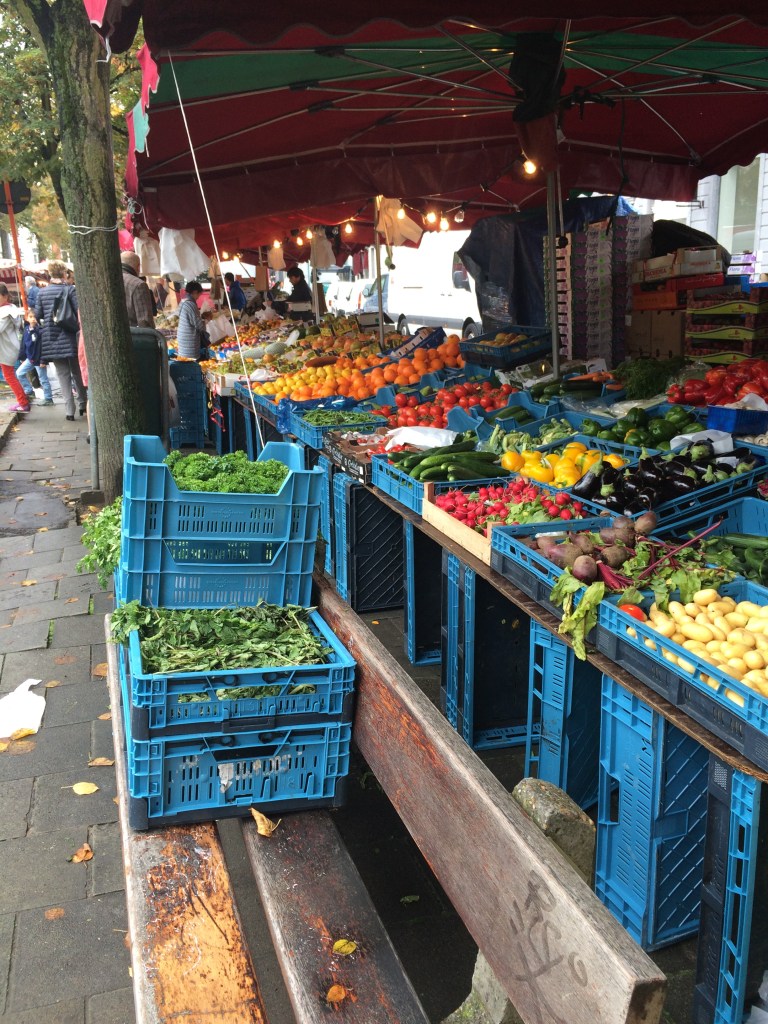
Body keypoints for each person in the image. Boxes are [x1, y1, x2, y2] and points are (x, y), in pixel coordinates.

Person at [35, 259, 87, 421]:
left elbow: (38, 315)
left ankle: (69, 411)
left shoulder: (42, 292)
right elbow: (79, 311)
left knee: (62, 374)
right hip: (71, 336)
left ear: (50, 274)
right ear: (64, 273)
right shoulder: (70, 290)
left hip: (52, 338)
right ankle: (82, 403)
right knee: (77, 372)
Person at [0, 284, 29, 412]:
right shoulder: (10, 308)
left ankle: (23, 402)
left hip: (7, 349)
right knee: (11, 375)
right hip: (10, 347)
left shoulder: (5, 311)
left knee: (10, 376)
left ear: (5, 296)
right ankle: (23, 400)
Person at [16, 310, 54, 406]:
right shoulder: (26, 330)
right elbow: (23, 345)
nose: (33, 319)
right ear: (27, 318)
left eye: (34, 317)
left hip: (39, 359)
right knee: (19, 373)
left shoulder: (40, 331)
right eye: (31, 316)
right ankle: (29, 391)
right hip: (30, 359)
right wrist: (22, 356)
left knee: (43, 379)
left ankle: (48, 398)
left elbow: (43, 347)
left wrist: (43, 360)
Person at [176, 281, 210, 360]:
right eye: (199, 294)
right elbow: (199, 325)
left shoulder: (183, 300)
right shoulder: (190, 304)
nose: (199, 296)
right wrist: (206, 320)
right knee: (190, 362)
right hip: (189, 340)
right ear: (195, 292)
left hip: (183, 338)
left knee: (184, 361)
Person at [120, 251, 155, 328]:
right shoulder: (138, 284)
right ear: (138, 267)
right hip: (133, 337)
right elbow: (145, 322)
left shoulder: (107, 282)